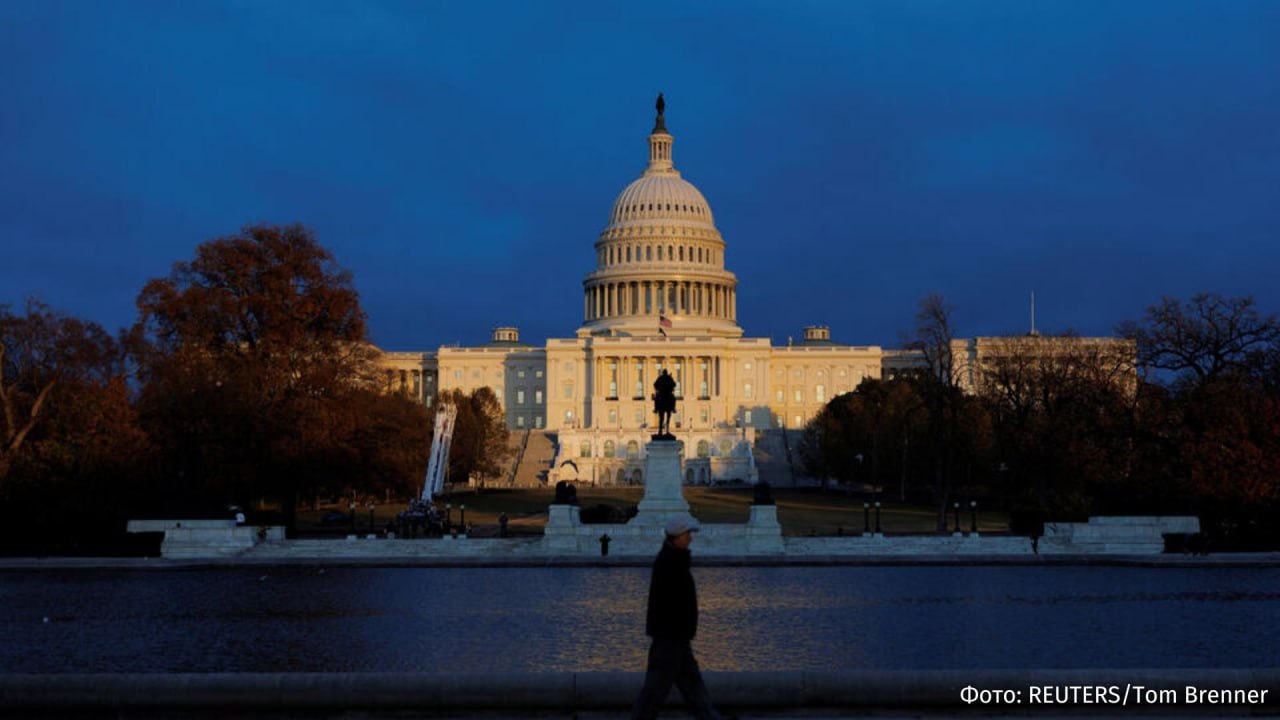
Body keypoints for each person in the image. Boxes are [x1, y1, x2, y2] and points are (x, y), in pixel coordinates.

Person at [631, 518, 729, 720]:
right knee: (657, 688)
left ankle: (710, 717)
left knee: (691, 683)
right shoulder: (671, 561)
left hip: (677, 635)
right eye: (687, 535)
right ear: (677, 538)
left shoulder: (675, 558)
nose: (691, 539)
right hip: (670, 636)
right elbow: (671, 602)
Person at [652, 369, 677, 437]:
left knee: (657, 400)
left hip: (662, 393)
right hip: (667, 393)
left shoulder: (660, 377)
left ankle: (656, 409)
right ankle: (673, 408)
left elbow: (655, 384)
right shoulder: (668, 377)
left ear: (663, 373)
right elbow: (674, 384)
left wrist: (658, 389)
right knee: (673, 399)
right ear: (666, 373)